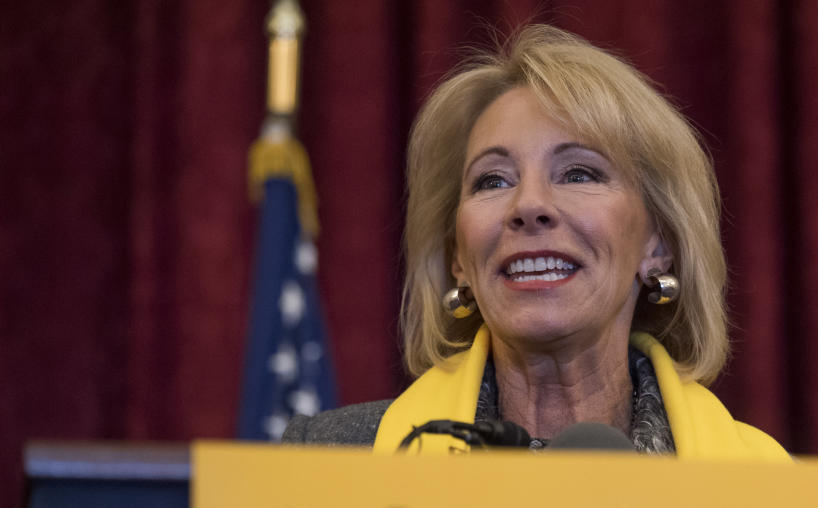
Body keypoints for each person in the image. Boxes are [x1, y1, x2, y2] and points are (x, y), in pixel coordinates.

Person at [283, 24, 788, 460]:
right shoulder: (331, 460)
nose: (528, 205)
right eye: (493, 181)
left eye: (578, 172)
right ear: (458, 256)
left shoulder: (768, 486)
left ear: (657, 243)